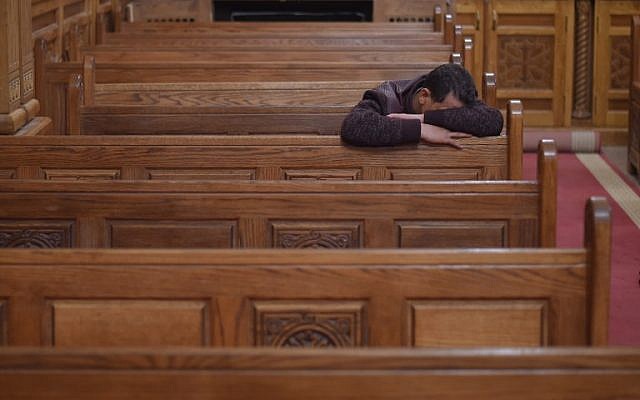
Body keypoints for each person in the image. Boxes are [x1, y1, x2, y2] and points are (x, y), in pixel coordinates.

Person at [340, 63, 503, 149]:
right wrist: (421, 129)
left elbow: (494, 120)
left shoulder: (459, 97)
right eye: (448, 113)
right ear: (424, 96)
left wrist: (423, 118)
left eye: (458, 114)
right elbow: (354, 126)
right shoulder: (387, 96)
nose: (455, 118)